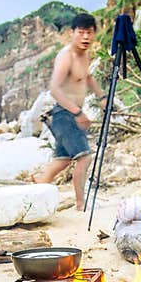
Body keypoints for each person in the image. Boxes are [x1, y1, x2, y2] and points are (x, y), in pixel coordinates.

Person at [33, 13, 107, 210]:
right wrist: (77, 113)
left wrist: (102, 97)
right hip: (61, 113)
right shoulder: (66, 56)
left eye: (89, 33)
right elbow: (55, 89)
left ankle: (36, 191)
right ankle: (81, 205)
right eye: (81, 32)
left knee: (63, 160)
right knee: (84, 157)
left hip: (69, 114)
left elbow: (88, 77)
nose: (85, 37)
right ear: (71, 33)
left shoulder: (84, 55)